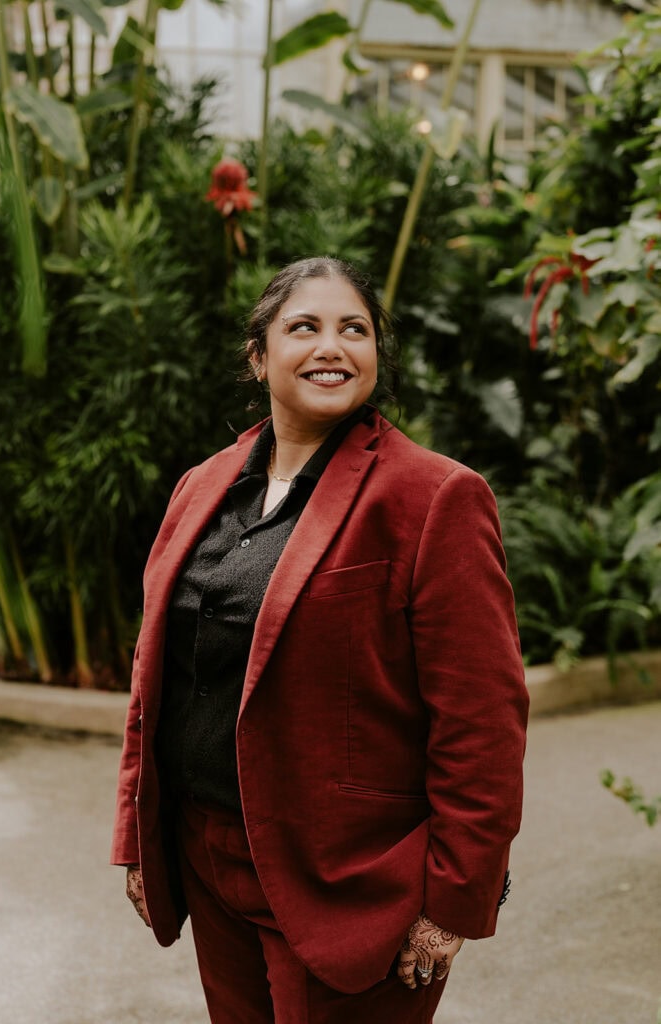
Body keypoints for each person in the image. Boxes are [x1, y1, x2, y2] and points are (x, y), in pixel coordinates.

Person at [111, 256, 529, 1023]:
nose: (331, 346)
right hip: (207, 856)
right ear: (258, 355)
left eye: (354, 329)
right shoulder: (200, 486)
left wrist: (454, 902)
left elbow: (482, 720)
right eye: (303, 327)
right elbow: (154, 680)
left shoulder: (434, 496)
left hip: (350, 880)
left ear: (376, 354)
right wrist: (137, 838)